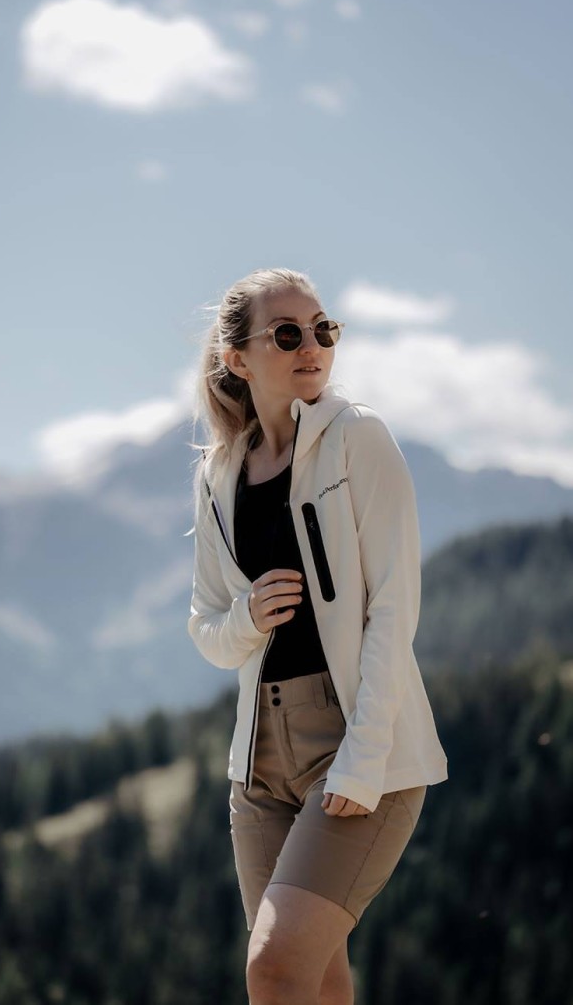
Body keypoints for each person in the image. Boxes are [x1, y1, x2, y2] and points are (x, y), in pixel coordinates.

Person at [187, 267, 448, 1005]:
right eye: (289, 333)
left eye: (323, 329)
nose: (313, 347)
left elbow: (395, 607)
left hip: (360, 745)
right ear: (237, 357)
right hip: (259, 764)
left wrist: (363, 760)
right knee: (316, 978)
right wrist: (249, 617)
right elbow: (207, 630)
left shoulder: (357, 438)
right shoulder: (218, 476)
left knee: (273, 970)